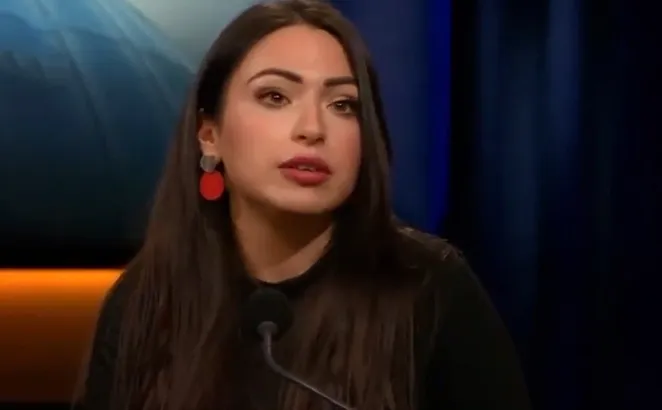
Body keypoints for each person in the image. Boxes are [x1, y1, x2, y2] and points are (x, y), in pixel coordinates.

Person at [76, 1, 531, 409]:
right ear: (209, 135)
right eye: (275, 97)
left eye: (343, 105)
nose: (313, 128)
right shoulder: (147, 301)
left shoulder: (430, 290)